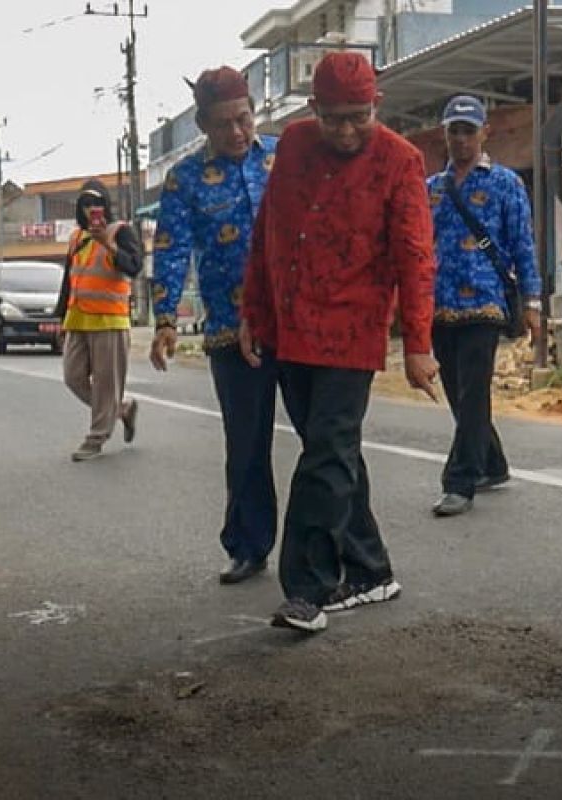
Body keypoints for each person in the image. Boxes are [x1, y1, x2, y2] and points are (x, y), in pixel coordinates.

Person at [240, 51, 438, 633]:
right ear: (313, 109)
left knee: (323, 456)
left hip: (352, 331)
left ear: (376, 106)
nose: (347, 130)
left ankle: (308, 589)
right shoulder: (294, 146)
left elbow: (416, 257)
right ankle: (372, 570)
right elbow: (266, 233)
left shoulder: (401, 162)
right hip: (288, 326)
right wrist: (253, 310)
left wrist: (419, 344)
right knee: (334, 452)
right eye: (335, 118)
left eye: (359, 116)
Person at [150, 66, 280, 585]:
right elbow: (172, 248)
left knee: (326, 441)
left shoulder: (281, 157)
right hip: (230, 330)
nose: (237, 133)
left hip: (296, 324)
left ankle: (342, 548)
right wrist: (164, 320)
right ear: (203, 124)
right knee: (246, 445)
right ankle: (248, 544)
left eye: (244, 119)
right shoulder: (184, 179)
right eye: (224, 124)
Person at [426, 94, 541, 518]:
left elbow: (523, 246)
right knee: (458, 394)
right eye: (454, 130)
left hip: (486, 303)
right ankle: (492, 462)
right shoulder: (432, 189)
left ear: (484, 133)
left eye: (468, 130)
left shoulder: (506, 184)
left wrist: (532, 301)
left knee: (474, 392)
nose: (460, 139)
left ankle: (460, 481)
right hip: (440, 306)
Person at [56, 180, 143, 462]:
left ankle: (96, 439)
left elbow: (134, 266)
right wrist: (60, 318)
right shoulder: (76, 237)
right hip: (78, 318)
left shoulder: (121, 231)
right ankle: (122, 410)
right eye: (86, 205)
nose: (92, 209)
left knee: (106, 385)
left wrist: (108, 244)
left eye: (97, 204)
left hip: (109, 320)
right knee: (73, 377)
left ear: (106, 206)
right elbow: (69, 280)